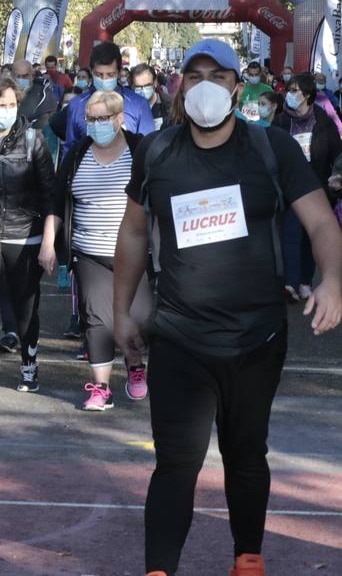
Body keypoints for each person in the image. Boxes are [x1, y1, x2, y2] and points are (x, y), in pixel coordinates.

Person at [113, 39, 342, 576]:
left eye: (219, 76)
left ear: (239, 88)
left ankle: (248, 559)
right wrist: (122, 310)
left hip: (255, 339)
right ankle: (158, 570)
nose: (206, 86)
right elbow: (132, 233)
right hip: (177, 335)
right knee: (175, 463)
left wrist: (332, 280)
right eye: (195, 76)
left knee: (246, 456)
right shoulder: (157, 152)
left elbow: (321, 223)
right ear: (179, 86)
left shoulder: (272, 149)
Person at [47, 89, 152, 411]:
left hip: (134, 254)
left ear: (120, 119)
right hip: (89, 252)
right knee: (97, 319)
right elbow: (56, 200)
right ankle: (101, 388)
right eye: (90, 119)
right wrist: (50, 243)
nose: (95, 125)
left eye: (102, 119)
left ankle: (135, 365)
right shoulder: (77, 153)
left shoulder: (140, 150)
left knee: (139, 317)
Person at [0, 75, 55, 393]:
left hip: (25, 237)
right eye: (1, 104)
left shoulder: (33, 139)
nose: (7, 110)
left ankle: (29, 364)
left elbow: (50, 195)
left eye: (12, 104)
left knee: (25, 307)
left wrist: (48, 241)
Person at [274, 74, 342, 301]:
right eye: (289, 90)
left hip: (317, 187)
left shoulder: (323, 121)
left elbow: (337, 152)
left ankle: (305, 281)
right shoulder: (282, 121)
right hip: (289, 188)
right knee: (290, 235)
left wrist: (337, 175)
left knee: (310, 237)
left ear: (308, 95)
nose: (290, 95)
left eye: (295, 91)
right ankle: (290, 283)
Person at [59, 42, 155, 154]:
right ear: (91, 71)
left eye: (110, 75)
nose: (104, 79)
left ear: (119, 72)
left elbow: (148, 149)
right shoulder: (76, 105)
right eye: (99, 74)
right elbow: (69, 148)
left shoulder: (138, 105)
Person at [129, 64, 169, 129]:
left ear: (155, 83)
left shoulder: (169, 104)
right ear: (132, 86)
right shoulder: (127, 108)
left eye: (147, 85)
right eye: (138, 87)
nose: (143, 90)